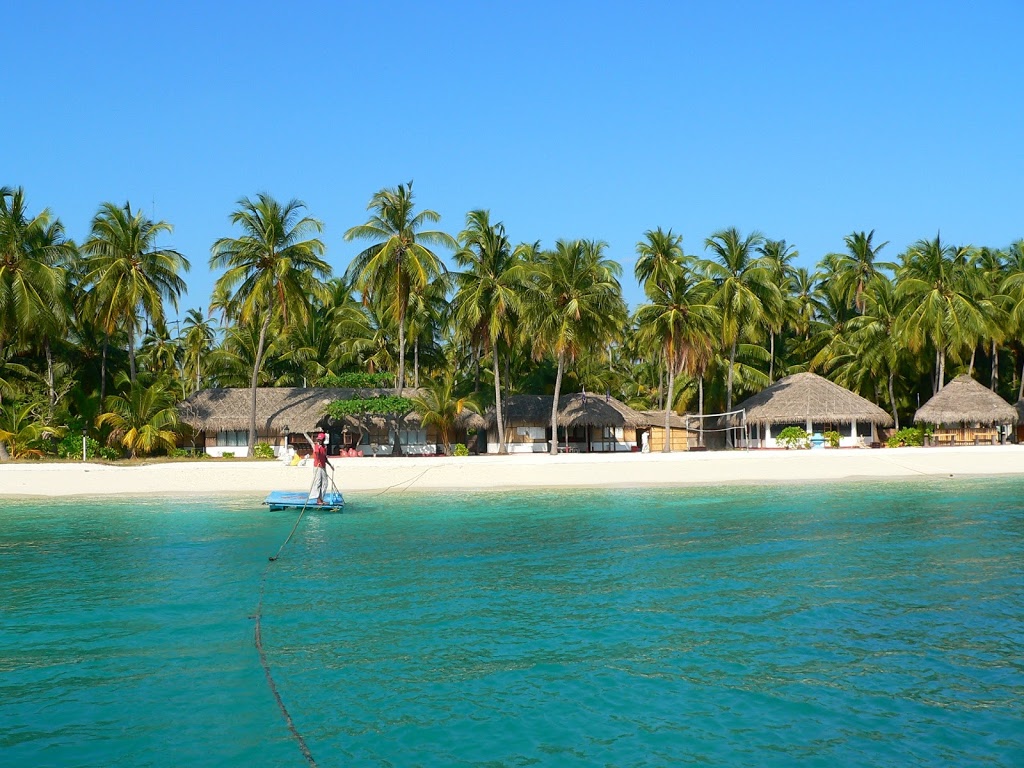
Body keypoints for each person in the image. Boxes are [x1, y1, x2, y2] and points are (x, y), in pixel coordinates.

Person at [312, 436, 333, 505]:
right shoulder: (316, 446)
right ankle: (318, 500)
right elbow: (316, 453)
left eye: (321, 440)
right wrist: (318, 447)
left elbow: (324, 458)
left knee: (325, 483)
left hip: (323, 466)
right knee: (318, 482)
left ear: (323, 440)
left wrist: (330, 465)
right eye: (318, 440)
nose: (319, 441)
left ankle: (321, 498)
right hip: (317, 466)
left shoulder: (324, 448)